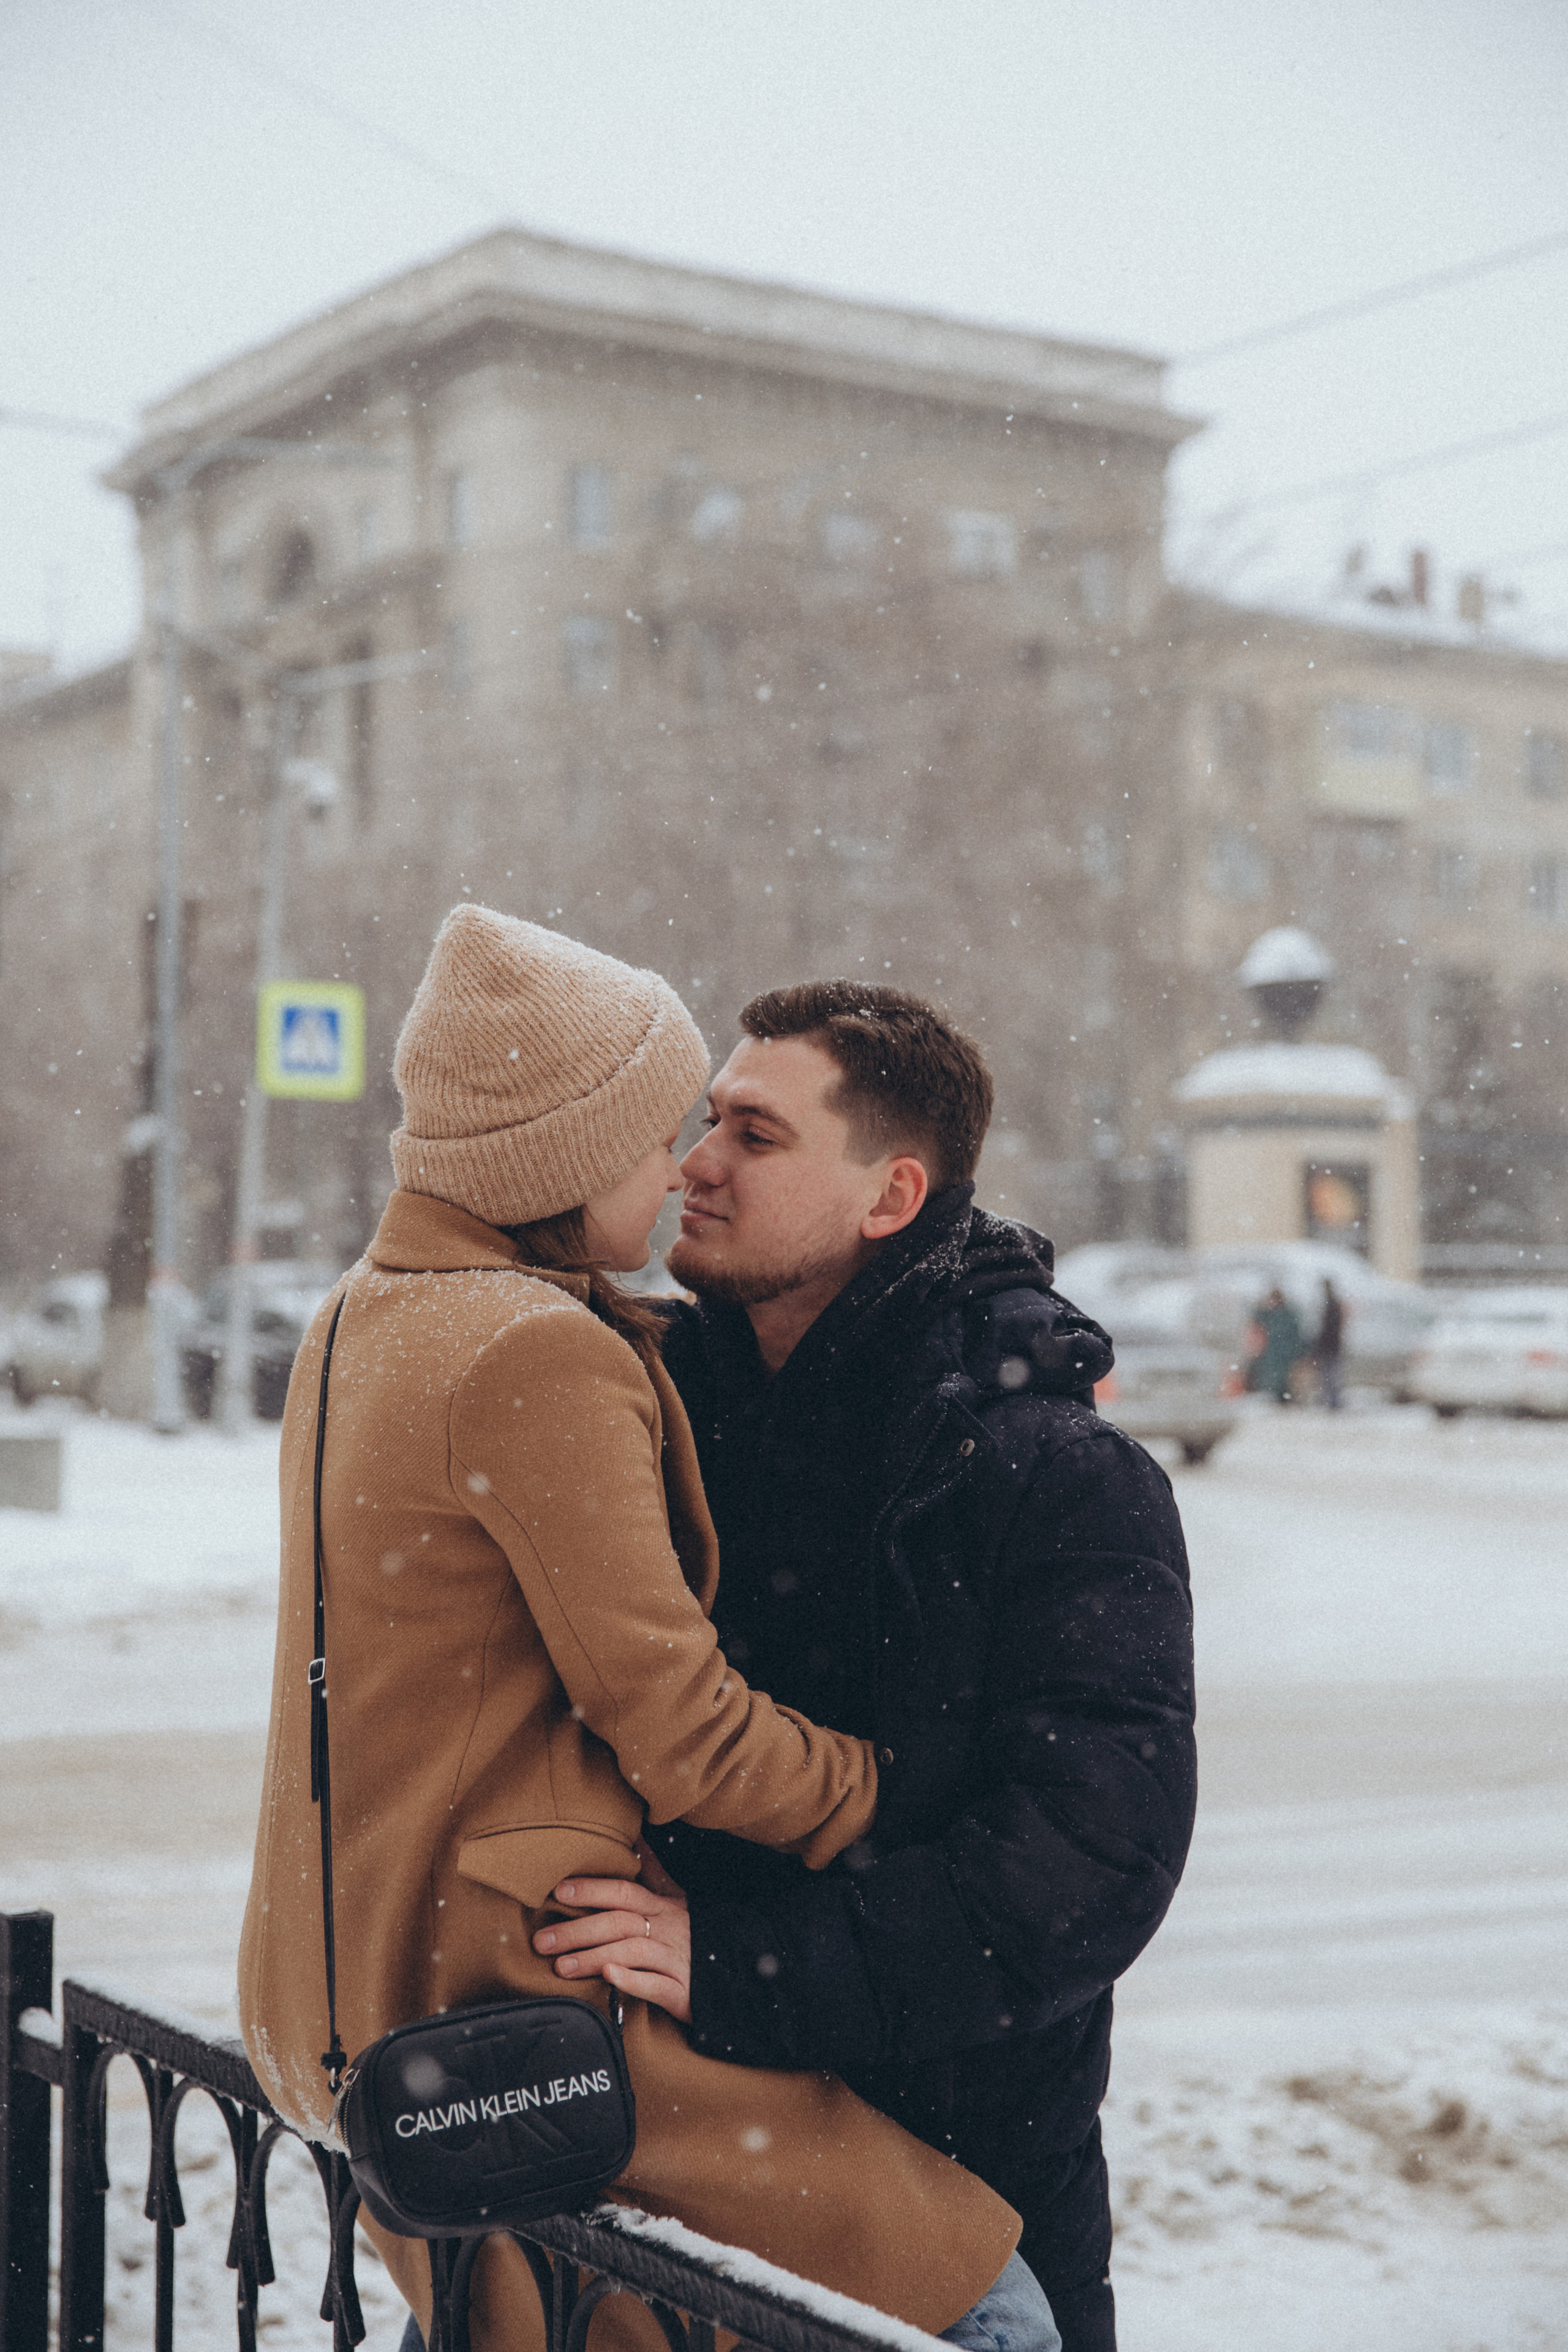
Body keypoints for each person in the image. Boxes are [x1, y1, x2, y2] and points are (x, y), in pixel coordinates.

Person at [238, 914, 1051, 2352]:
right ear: (556, 1159)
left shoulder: (367, 1315)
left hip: (362, 1972)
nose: (680, 1169)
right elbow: (683, 1732)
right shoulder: (533, 1351)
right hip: (530, 1994)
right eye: (656, 1135)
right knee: (983, 2305)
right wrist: (891, 1795)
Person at [535, 982, 1197, 2352]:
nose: (696, 1163)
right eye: (707, 1120)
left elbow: (1083, 1870)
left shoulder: (1056, 1477)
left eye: (756, 1135)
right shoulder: (642, 1409)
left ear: (889, 1196)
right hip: (660, 2166)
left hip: (951, 2207)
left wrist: (740, 1965)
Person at [1251, 1284, 1305, 1404]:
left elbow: (1295, 1337)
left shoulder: (1286, 1316)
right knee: (1274, 1379)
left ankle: (1283, 1398)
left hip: (1282, 1355)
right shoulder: (1272, 1315)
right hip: (1275, 1355)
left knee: (1282, 1379)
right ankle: (1278, 1397)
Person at [1314, 1276, 1346, 1409]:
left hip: (1330, 1345)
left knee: (1330, 1375)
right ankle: (1333, 1401)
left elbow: (1329, 1328)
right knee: (1331, 1375)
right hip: (1332, 1345)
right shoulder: (1332, 1304)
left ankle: (1333, 1401)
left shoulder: (1330, 1305)